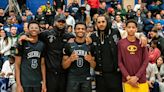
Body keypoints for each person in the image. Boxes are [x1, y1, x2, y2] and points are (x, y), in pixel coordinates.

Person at [90, 15, 147, 92]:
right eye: (99, 22)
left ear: (107, 22)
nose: (101, 24)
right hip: (100, 76)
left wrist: (142, 36)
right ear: (96, 24)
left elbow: (130, 32)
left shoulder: (116, 32)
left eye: (103, 22)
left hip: (115, 75)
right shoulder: (92, 36)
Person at [62, 22, 96, 92]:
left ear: (86, 31)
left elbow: (94, 66)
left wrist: (91, 61)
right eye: (78, 29)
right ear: (74, 30)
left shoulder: (90, 46)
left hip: (86, 77)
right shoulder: (68, 45)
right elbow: (64, 66)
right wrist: (70, 59)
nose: (80, 30)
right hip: (72, 78)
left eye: (83, 29)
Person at [118, 19, 149, 92]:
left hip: (141, 80)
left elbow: (146, 61)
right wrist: (128, 78)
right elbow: (120, 62)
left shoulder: (142, 41)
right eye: (129, 27)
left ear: (136, 29)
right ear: (125, 28)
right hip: (127, 81)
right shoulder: (121, 43)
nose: (131, 29)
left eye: (133, 27)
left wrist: (136, 77)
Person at [15, 21, 46, 92]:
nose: (34, 29)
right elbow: (17, 65)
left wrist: (44, 83)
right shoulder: (21, 42)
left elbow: (42, 64)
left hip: (37, 82)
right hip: (25, 82)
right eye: (31, 28)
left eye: (36, 28)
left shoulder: (42, 45)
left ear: (39, 30)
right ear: (28, 30)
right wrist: (18, 84)